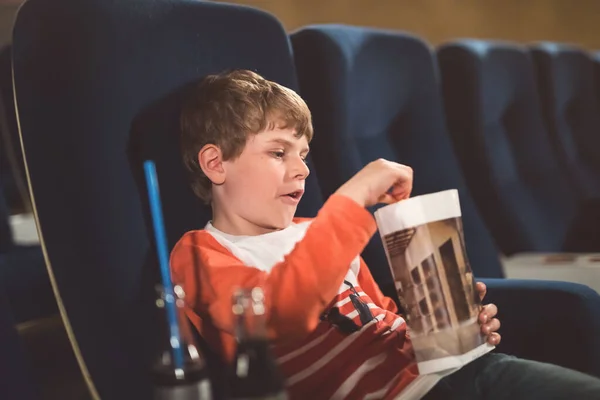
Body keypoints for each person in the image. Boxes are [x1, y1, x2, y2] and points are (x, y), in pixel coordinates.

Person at [170, 69, 600, 399]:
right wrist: (353, 197)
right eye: (278, 152)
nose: (301, 169)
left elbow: (381, 316)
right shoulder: (200, 254)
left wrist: (448, 330)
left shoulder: (319, 233)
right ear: (215, 164)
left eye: (303, 155)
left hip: (463, 373)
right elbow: (281, 312)